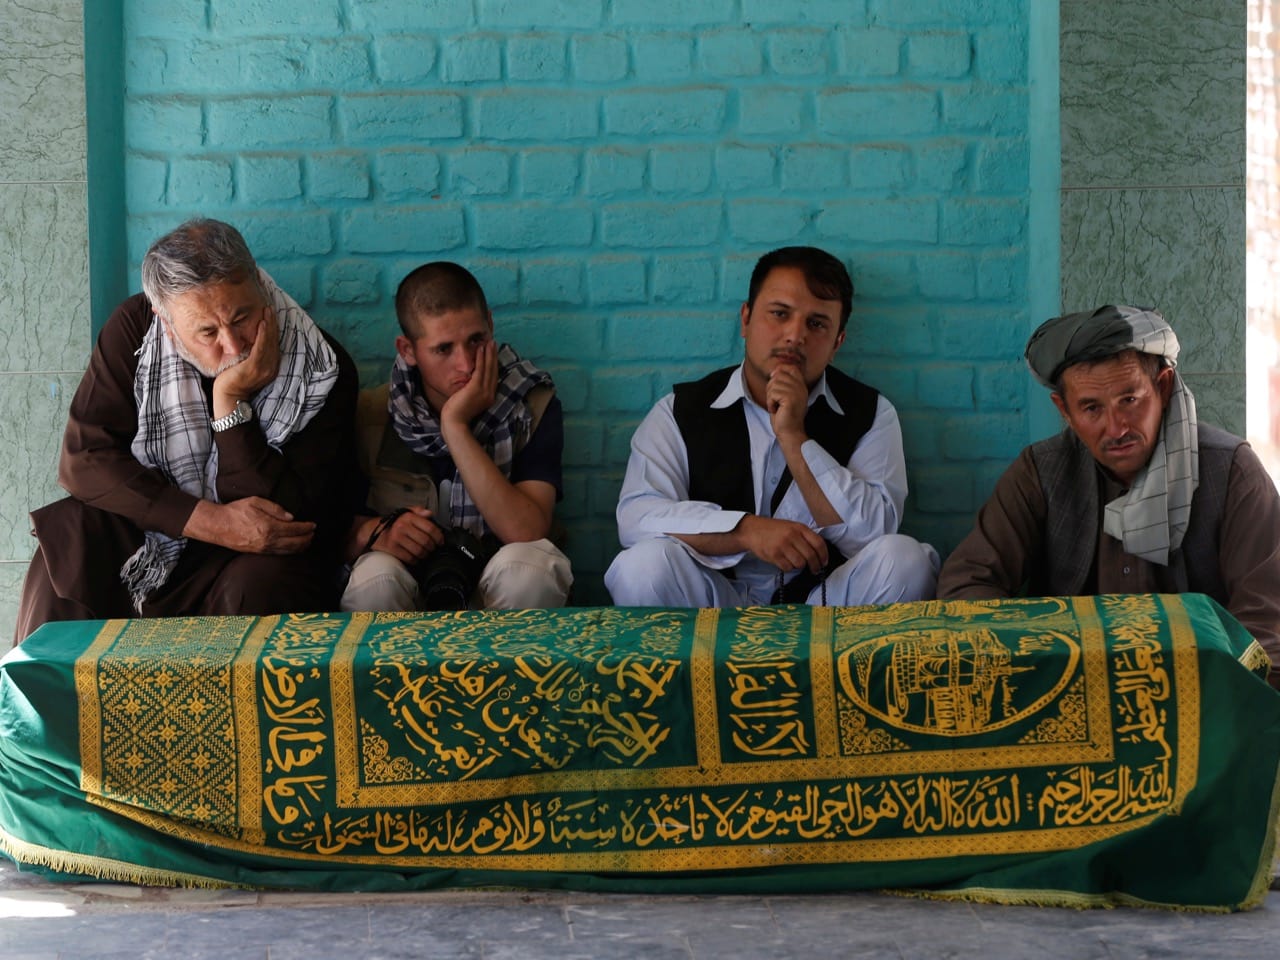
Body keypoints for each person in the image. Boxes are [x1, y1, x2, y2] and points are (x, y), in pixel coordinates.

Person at [15, 218, 360, 641]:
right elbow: (84, 460)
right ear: (165, 320)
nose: (234, 346)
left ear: (259, 286)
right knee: (71, 537)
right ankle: (42, 702)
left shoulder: (321, 369)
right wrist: (208, 520)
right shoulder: (135, 330)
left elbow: (280, 515)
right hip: (158, 537)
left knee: (265, 578)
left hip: (248, 560)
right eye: (208, 331)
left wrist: (230, 400)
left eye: (243, 317)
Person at [937, 304, 1280, 687]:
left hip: (1203, 695)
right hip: (1071, 689)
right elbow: (966, 584)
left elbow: (1267, 622)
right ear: (1064, 410)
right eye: (1091, 408)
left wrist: (1212, 699)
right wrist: (1040, 659)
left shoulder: (1231, 471)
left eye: (1129, 401)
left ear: (1163, 387)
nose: (1116, 428)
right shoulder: (1042, 471)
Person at [605, 245, 938, 608]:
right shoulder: (680, 411)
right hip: (712, 605)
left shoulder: (871, 413)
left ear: (837, 342)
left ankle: (824, 666)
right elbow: (637, 517)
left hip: (826, 607)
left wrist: (795, 438)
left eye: (817, 324)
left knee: (906, 561)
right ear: (745, 319)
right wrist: (745, 530)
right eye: (779, 314)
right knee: (642, 567)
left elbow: (872, 535)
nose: (795, 336)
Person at [340, 261, 572, 612]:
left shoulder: (530, 404)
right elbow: (326, 530)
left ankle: (515, 669)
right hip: (413, 591)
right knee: (375, 577)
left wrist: (455, 427)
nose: (466, 364)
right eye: (443, 349)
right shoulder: (372, 415)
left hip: (497, 591)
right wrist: (376, 532)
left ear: (491, 325)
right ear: (408, 350)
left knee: (529, 570)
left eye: (476, 340)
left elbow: (527, 530)